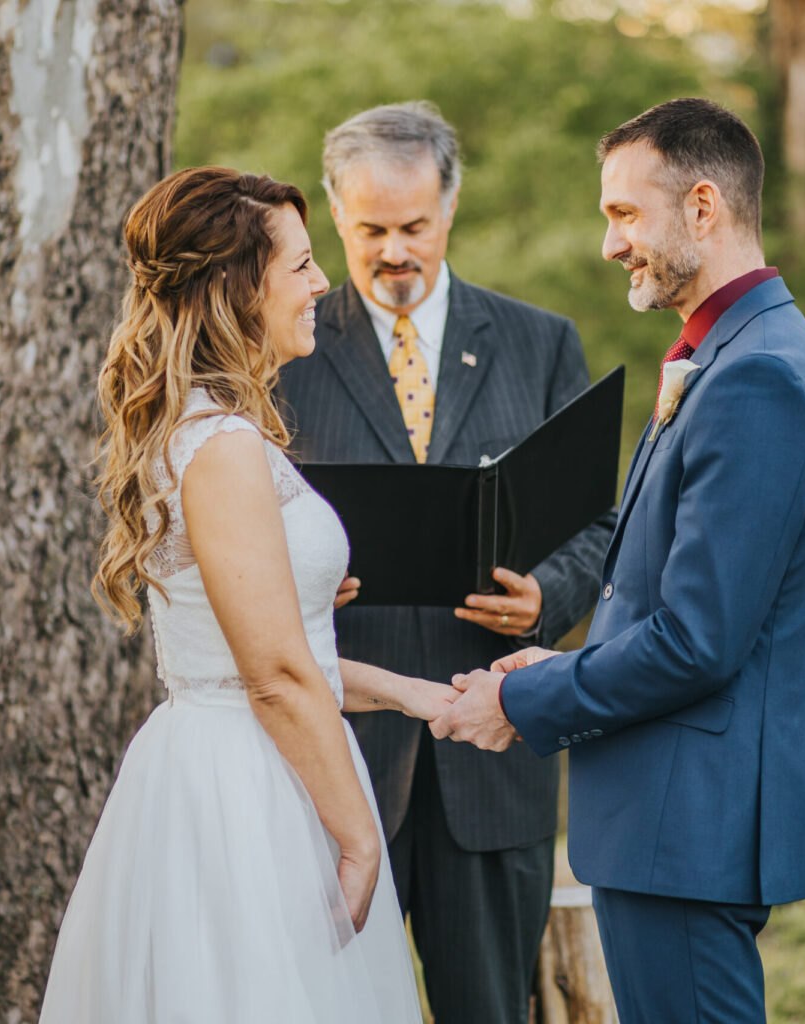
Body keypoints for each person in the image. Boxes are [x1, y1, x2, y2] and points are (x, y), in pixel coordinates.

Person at [433, 98, 805, 1024]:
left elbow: (701, 640)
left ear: (702, 207)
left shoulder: (759, 377)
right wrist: (562, 662)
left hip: (689, 822)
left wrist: (521, 700)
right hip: (674, 821)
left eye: (624, 214)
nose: (609, 243)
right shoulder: (738, 352)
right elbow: (672, 601)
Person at [39, 166, 455, 1023]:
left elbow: (270, 653)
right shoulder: (221, 445)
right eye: (301, 266)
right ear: (239, 286)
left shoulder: (211, 427)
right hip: (245, 790)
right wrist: (357, 836)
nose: (321, 284)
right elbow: (269, 674)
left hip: (250, 756)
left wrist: (409, 693)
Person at [276, 102, 612, 1024]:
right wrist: (302, 578)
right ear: (336, 220)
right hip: (336, 766)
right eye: (371, 229)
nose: (395, 250)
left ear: (449, 212)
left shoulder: (541, 343)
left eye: (414, 227)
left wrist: (546, 596)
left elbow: (597, 523)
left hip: (492, 753)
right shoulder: (281, 352)